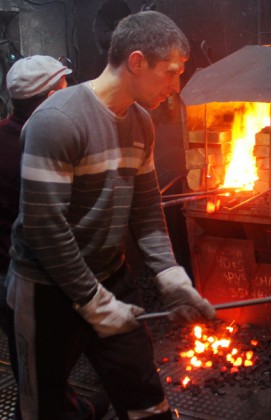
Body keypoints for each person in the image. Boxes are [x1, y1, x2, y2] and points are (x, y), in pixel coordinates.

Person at [6, 11, 216, 420]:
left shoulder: (141, 123)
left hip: (110, 277)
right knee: (42, 408)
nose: (177, 86)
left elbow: (147, 210)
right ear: (136, 62)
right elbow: (45, 228)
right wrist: (93, 302)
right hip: (45, 290)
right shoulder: (58, 121)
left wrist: (171, 277)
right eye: (171, 73)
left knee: (146, 400)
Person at [0, 55, 110, 419]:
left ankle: (64, 404)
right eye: (63, 90)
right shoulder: (44, 146)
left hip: (6, 273)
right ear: (49, 98)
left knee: (32, 360)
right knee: (41, 363)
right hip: (34, 276)